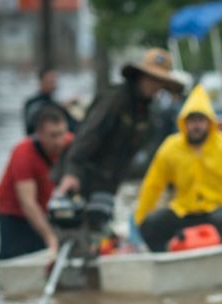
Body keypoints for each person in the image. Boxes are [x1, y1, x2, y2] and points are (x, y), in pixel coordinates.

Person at [134, 84, 222, 252]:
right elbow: (153, 185)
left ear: (209, 122)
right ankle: (168, 258)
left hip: (218, 211)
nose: (196, 126)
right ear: (184, 123)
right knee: (151, 225)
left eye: (200, 120)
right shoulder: (170, 147)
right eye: (191, 121)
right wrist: (140, 219)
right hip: (185, 211)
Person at [54, 48, 184, 199]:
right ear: (140, 76)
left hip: (109, 182)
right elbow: (88, 135)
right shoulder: (114, 99)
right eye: (151, 78)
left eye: (159, 81)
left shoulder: (148, 112)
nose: (154, 85)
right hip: (81, 178)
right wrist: (72, 172)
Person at [0, 105, 72, 260]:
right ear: (39, 135)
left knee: (45, 252)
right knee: (14, 259)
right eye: (53, 135)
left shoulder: (70, 143)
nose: (59, 141)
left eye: (62, 134)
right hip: (14, 212)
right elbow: (28, 203)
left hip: (43, 205)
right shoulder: (23, 154)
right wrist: (50, 236)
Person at [23, 67, 78, 135]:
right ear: (41, 81)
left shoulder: (54, 102)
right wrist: (61, 107)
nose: (54, 84)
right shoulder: (33, 103)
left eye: (54, 81)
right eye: (50, 81)